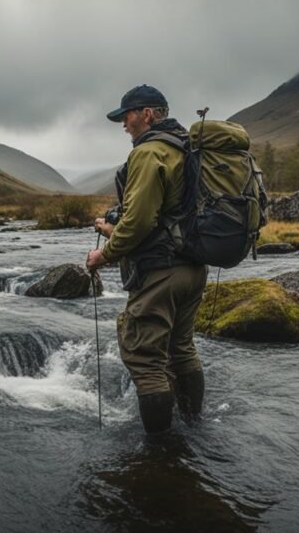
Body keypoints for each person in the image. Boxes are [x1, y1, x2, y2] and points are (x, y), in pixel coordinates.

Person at [85, 85, 208, 436]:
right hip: (193, 267)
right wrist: (114, 229)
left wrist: (103, 254)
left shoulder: (150, 152)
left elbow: (140, 222)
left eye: (127, 115)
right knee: (181, 349)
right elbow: (166, 215)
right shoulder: (186, 147)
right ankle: (193, 431)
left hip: (160, 272)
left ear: (149, 114)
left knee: (146, 360)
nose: (124, 124)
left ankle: (159, 456)